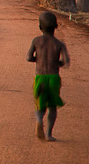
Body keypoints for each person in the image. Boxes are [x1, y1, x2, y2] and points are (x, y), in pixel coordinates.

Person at [26, 11, 70, 141]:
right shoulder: (59, 44)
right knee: (52, 107)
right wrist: (57, 63)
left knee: (40, 104)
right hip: (54, 77)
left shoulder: (36, 41)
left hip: (40, 77)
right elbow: (66, 62)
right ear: (56, 27)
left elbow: (28, 57)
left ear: (40, 27)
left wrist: (38, 59)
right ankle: (49, 134)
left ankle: (39, 119)